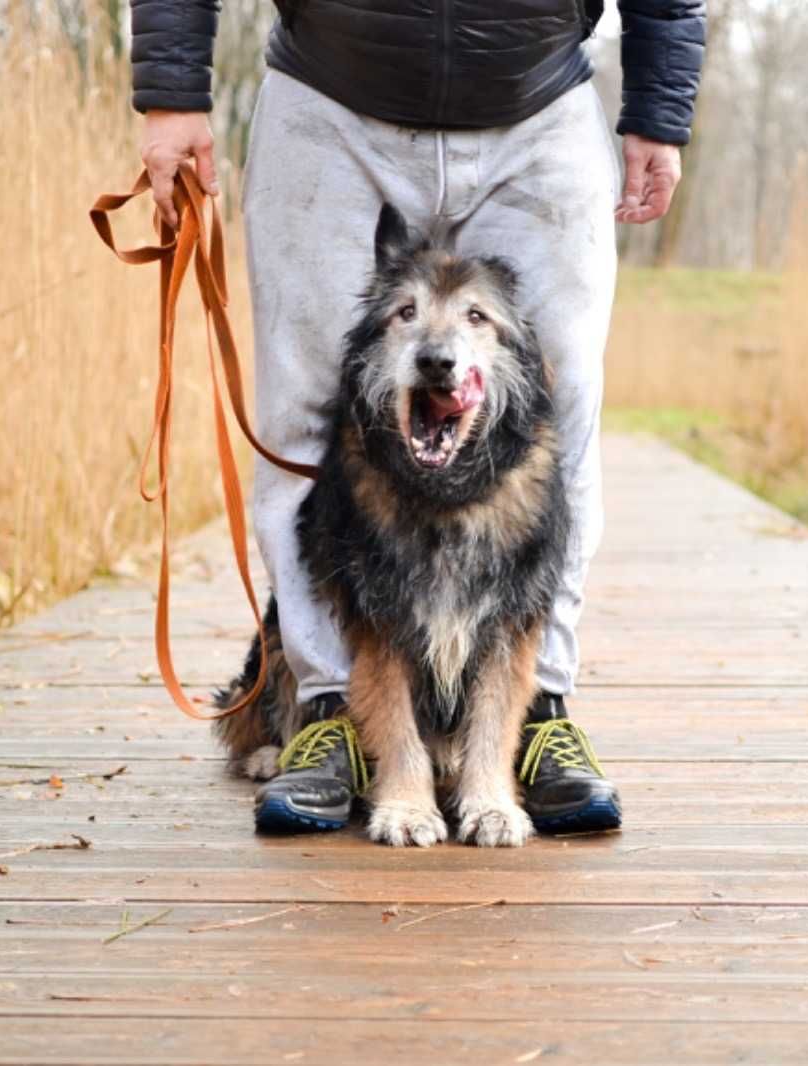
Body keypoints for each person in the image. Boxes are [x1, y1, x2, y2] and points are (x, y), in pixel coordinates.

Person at [131, 0, 705, 835]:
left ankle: (535, 708)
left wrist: (659, 107)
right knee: (303, 411)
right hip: (328, 94)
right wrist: (171, 91)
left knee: (562, 406)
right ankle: (329, 710)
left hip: (538, 102)